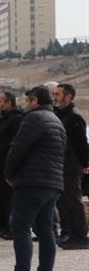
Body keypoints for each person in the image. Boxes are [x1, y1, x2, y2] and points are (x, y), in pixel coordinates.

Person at [1, 86, 67, 271]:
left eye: (28, 100)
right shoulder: (57, 121)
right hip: (52, 182)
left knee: (20, 227)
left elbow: (18, 148)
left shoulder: (33, 119)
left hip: (31, 181)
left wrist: (9, 174)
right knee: (46, 229)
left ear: (35, 100)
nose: (26, 104)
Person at [52, 83, 89, 250]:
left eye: (58, 95)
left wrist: (85, 163)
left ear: (68, 97)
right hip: (63, 165)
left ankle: (80, 236)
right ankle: (72, 234)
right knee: (67, 201)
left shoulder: (74, 116)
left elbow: (81, 143)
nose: (54, 98)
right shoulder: (62, 114)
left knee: (74, 201)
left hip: (71, 166)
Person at [0, 92, 23, 239]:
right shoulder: (2, 119)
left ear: (9, 103)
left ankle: (10, 226)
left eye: (0, 101)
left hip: (7, 164)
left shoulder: (16, 119)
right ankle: (1, 224)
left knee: (8, 197)